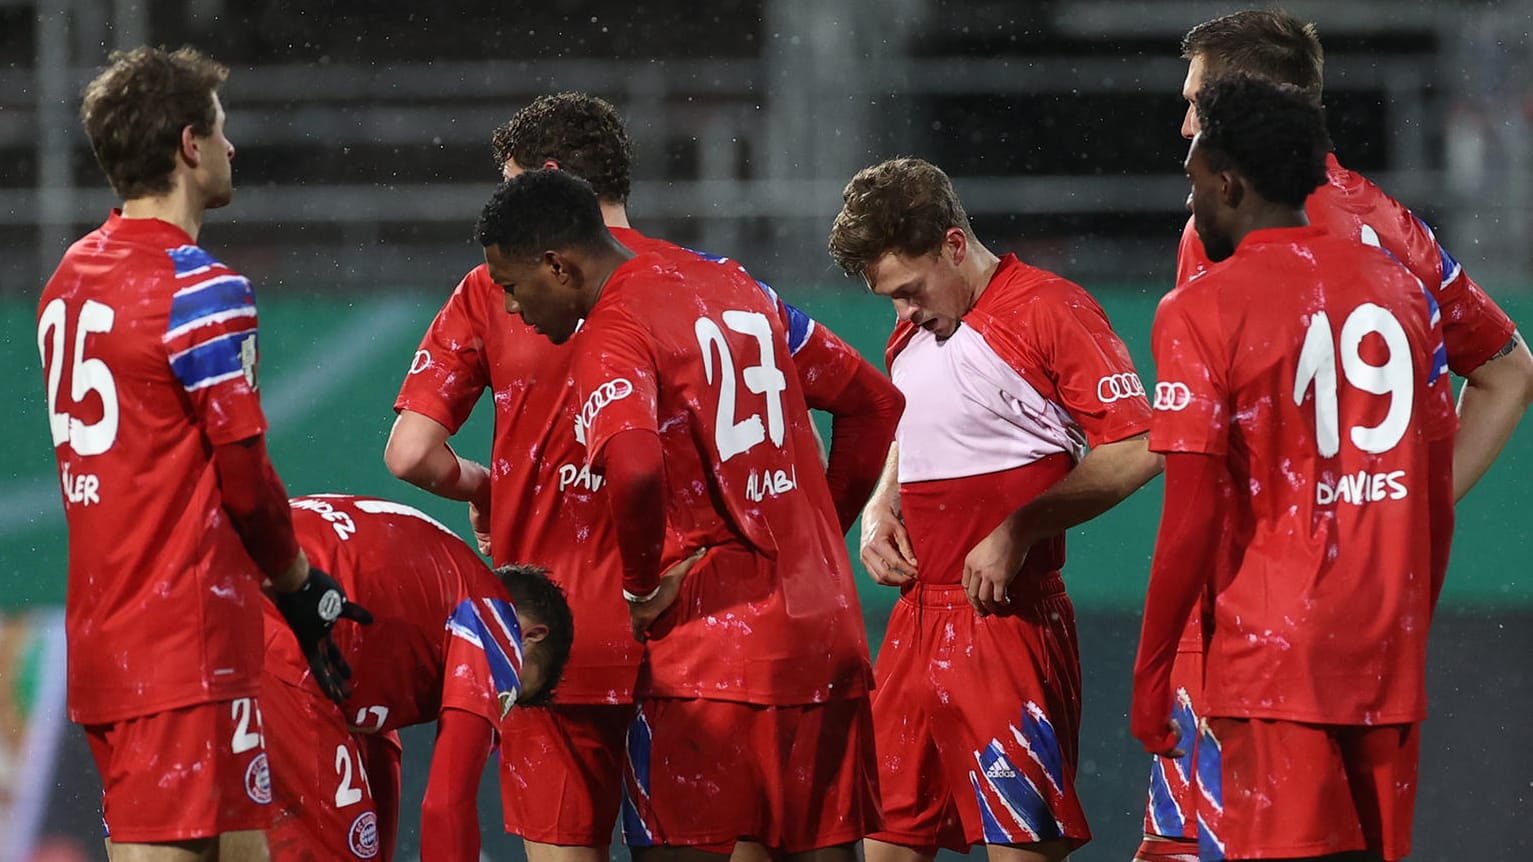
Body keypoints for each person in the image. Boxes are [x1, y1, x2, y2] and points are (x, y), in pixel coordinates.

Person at [384, 92, 901, 859]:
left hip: (578, 634)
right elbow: (869, 402)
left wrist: (492, 489)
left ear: (552, 191)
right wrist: (804, 526)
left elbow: (410, 454)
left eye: (514, 187)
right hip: (749, 623)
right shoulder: (728, 285)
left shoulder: (515, 293)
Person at [1138, 11, 1533, 860]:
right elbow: (1508, 371)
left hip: (1253, 624)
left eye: (1197, 102)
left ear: (1252, 104)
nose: (1183, 124)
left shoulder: (1222, 227)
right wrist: (1379, 501)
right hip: (1377, 627)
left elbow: (1203, 461)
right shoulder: (1397, 233)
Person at [36, 46, 367, 861]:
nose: (231, 149)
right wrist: (296, 583)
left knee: (246, 847)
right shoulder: (200, 287)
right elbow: (246, 480)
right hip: (181, 645)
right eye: (221, 131)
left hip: (109, 637)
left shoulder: (69, 279)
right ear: (190, 145)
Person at [830, 157, 1163, 862]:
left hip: (1006, 624)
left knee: (1017, 848)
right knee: (884, 844)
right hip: (914, 620)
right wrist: (880, 505)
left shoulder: (1048, 308)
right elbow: (912, 417)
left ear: (953, 244)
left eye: (909, 290)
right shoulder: (916, 327)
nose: (903, 312)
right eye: (890, 299)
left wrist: (1020, 525)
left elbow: (1138, 445)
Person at [260, 494, 573, 862]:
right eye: (511, 691)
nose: (495, 702)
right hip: (278, 646)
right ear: (532, 635)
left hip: (197, 602)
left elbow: (378, 748)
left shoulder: (430, 575)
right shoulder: (496, 622)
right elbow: (446, 804)